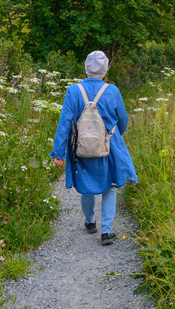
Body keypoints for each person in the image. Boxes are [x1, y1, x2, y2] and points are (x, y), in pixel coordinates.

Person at [49, 50, 138, 245]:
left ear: (86, 68)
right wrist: (117, 135)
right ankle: (106, 232)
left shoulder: (73, 91)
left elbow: (64, 123)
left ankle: (90, 222)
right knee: (110, 186)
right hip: (108, 146)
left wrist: (58, 153)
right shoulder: (112, 91)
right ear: (105, 69)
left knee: (86, 186)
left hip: (80, 147)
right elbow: (122, 119)